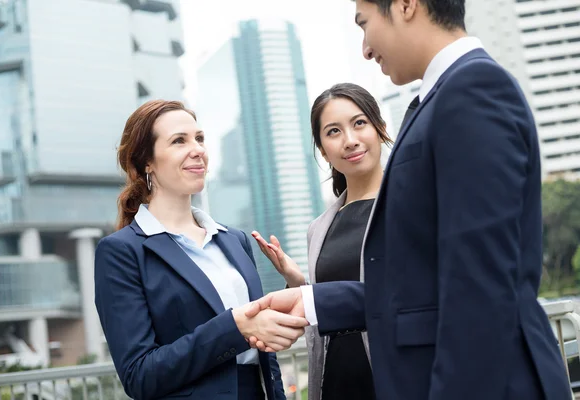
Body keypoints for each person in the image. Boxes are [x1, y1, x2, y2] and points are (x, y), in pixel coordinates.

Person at [247, 0, 573, 399]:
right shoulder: (439, 99)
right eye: (332, 132)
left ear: (405, 6)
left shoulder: (470, 89)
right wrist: (311, 299)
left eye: (364, 24)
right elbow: (421, 286)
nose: (365, 48)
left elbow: (478, 287)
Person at [94, 100, 307, 400]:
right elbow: (139, 375)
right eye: (179, 141)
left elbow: (263, 349)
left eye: (200, 138)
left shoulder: (234, 240)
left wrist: (295, 287)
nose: (198, 150)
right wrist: (235, 327)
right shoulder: (121, 252)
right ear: (147, 162)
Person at [252, 83, 391, 399]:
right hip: (336, 382)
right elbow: (323, 308)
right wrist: (298, 281)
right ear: (322, 149)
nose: (350, 140)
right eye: (333, 132)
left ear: (380, 128)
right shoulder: (319, 228)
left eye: (359, 123)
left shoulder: (411, 205)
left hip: (394, 378)